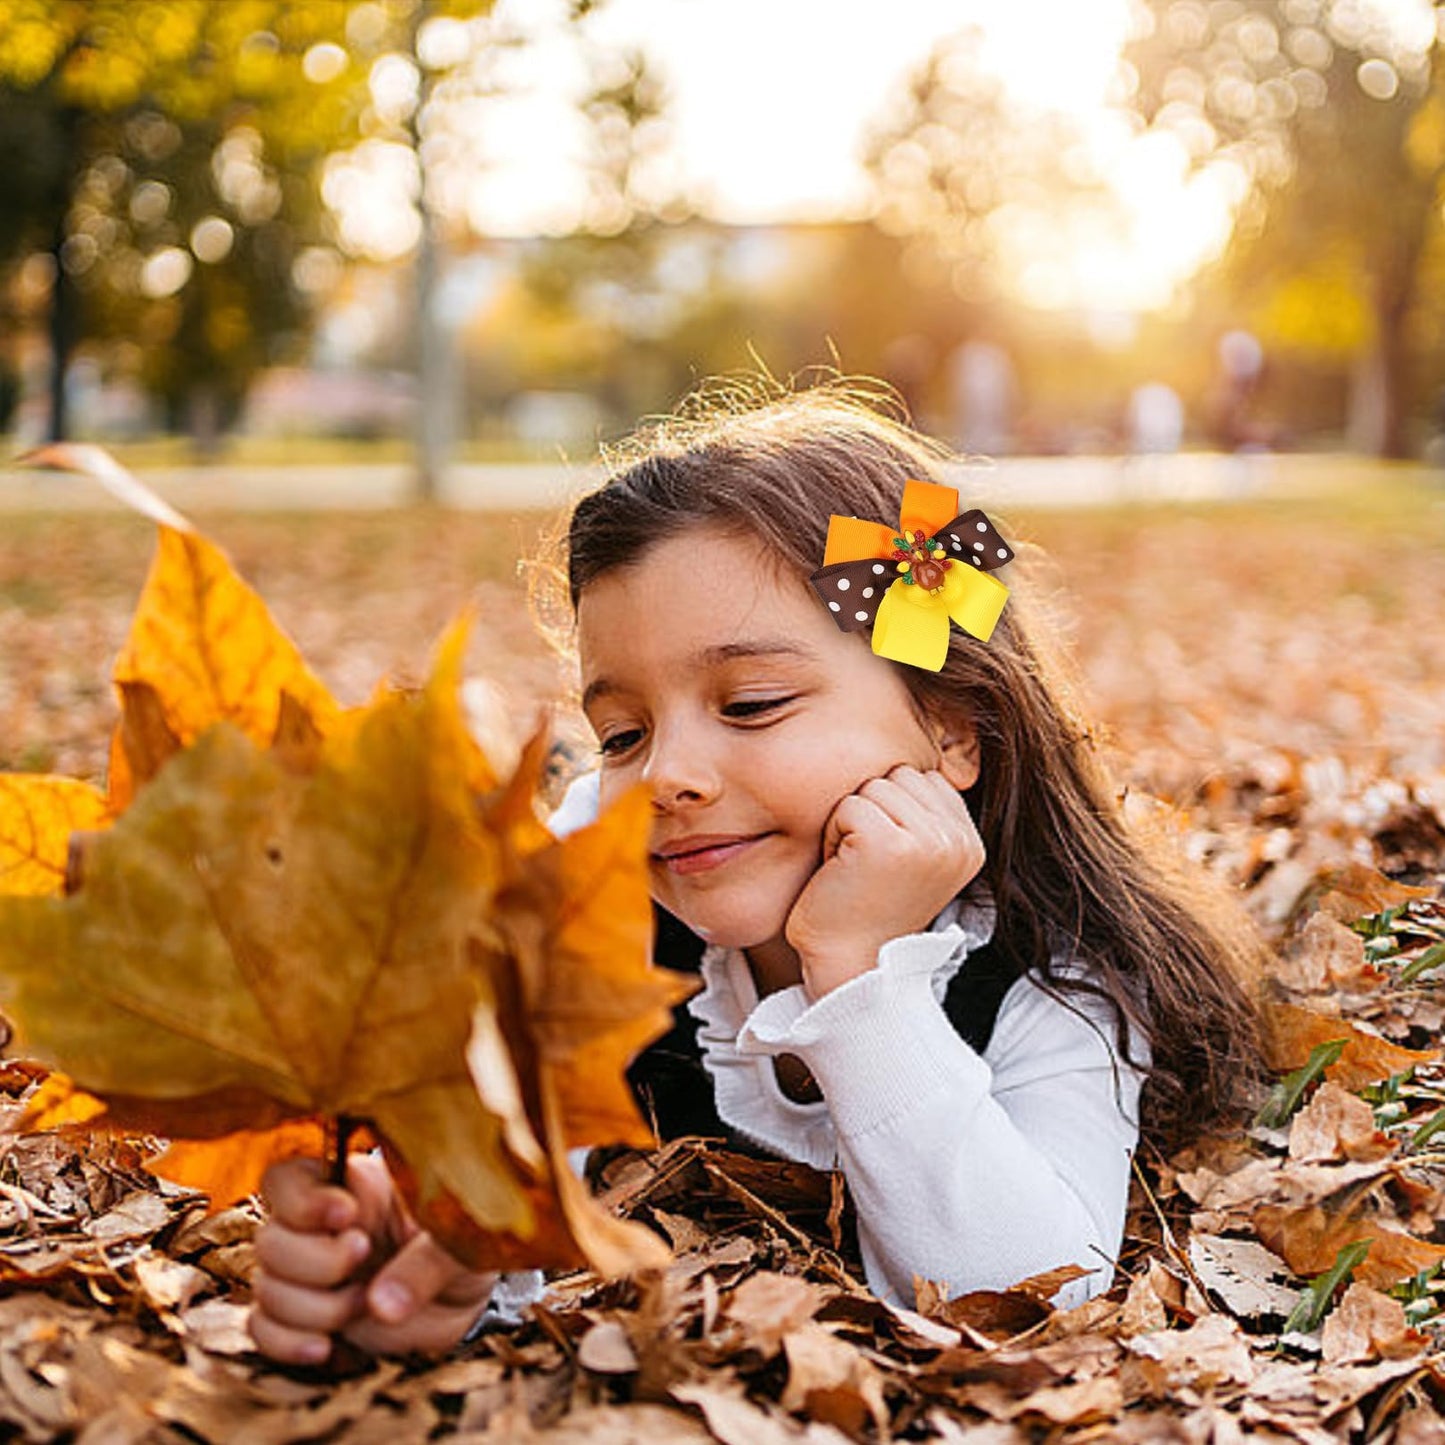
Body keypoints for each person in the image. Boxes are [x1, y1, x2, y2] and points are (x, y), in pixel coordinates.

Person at [249, 380, 1268, 1365]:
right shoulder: (575, 900)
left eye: (750, 703)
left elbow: (1027, 1297)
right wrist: (436, 1256)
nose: (667, 776)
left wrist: (859, 976)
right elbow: (496, 1178)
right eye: (620, 733)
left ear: (951, 726)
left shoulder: (1056, 972)